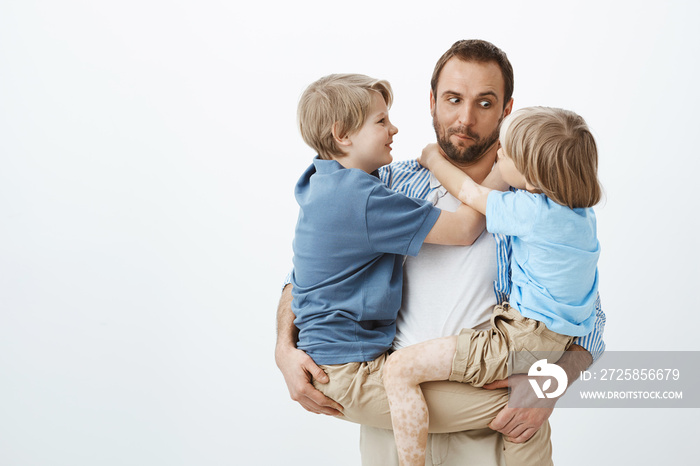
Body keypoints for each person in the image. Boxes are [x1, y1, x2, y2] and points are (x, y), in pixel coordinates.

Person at [276, 39, 606, 466]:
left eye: (484, 103)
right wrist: (284, 348)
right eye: (453, 99)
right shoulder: (383, 185)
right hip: (391, 425)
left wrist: (550, 382)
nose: (465, 118)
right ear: (432, 101)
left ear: (507, 110)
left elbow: (588, 322)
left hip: (491, 432)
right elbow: (304, 277)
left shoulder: (540, 203)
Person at [382, 106, 602, 465]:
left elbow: (469, 195)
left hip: (519, 340)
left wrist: (433, 158)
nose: (499, 151)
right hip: (544, 344)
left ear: (532, 177)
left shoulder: (529, 211)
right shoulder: (581, 219)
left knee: (399, 370)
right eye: (453, 98)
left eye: (507, 152)